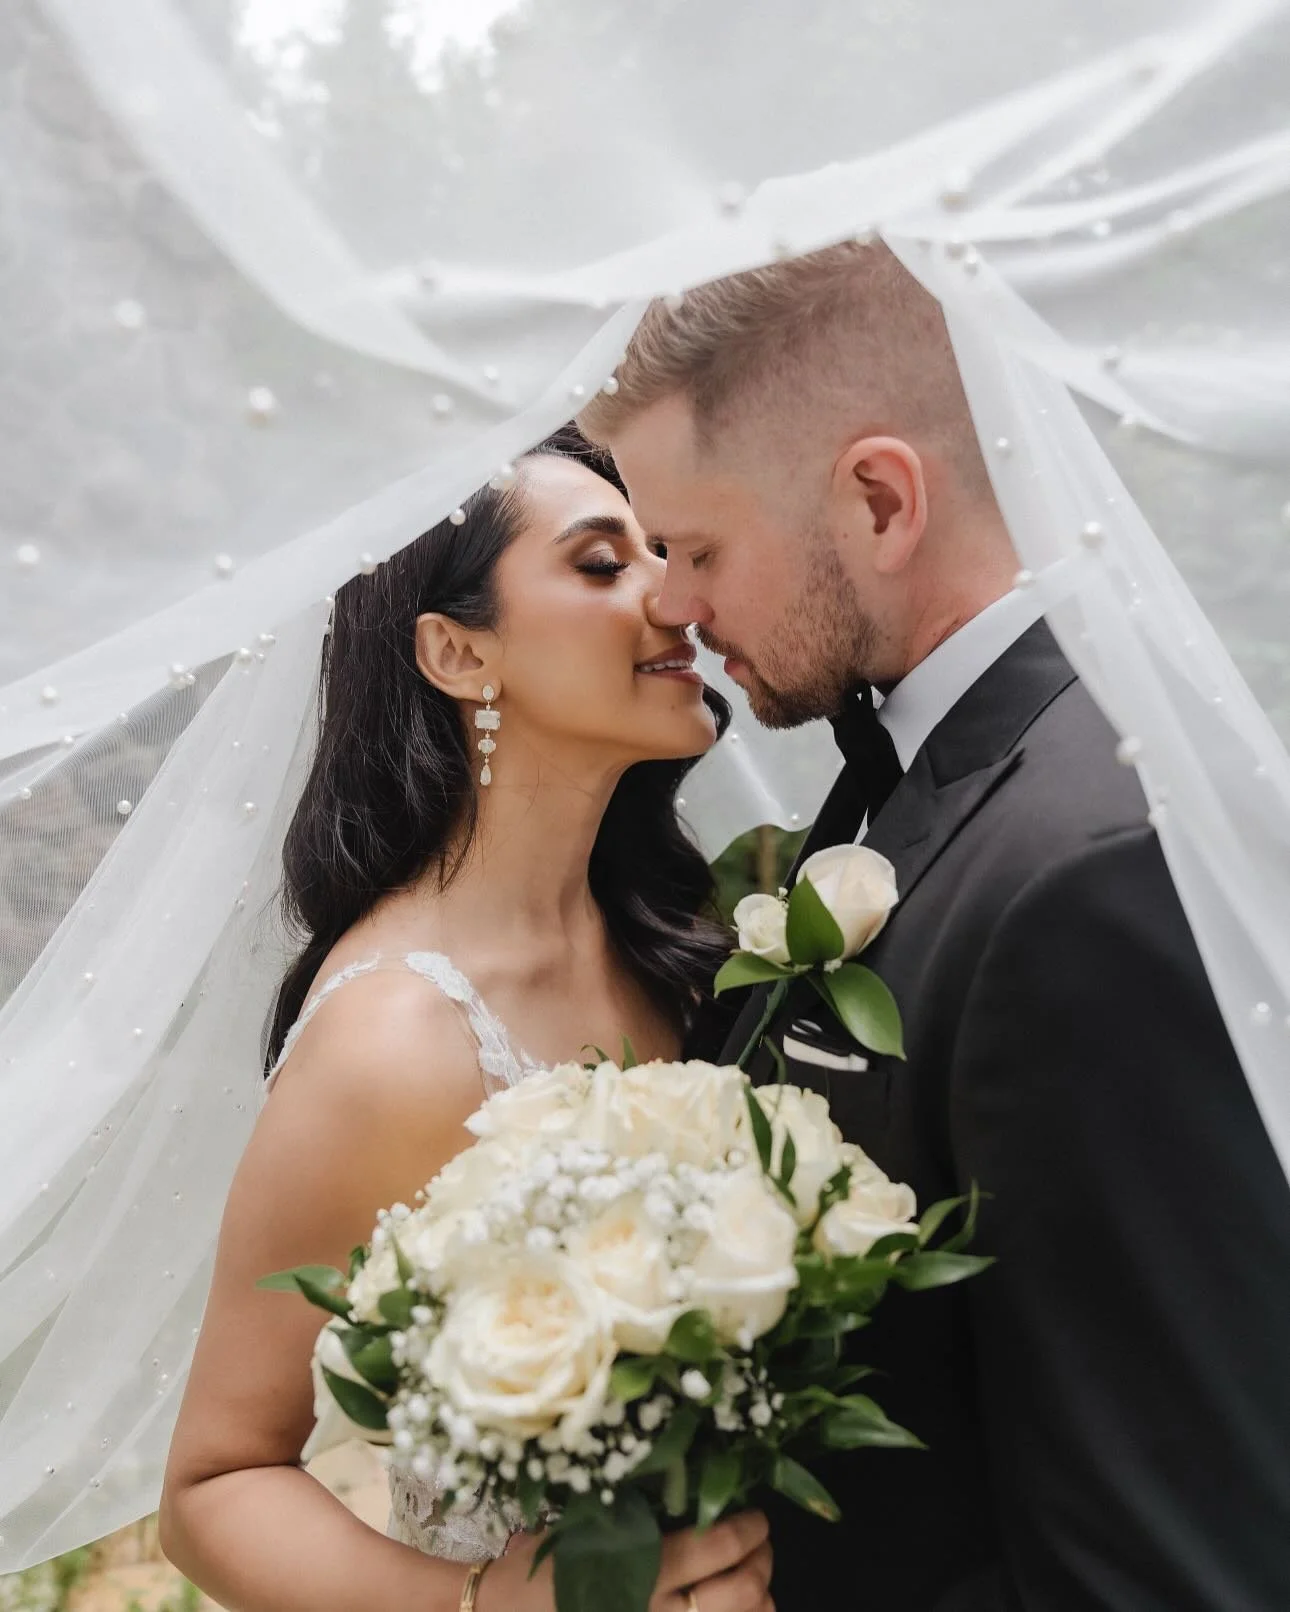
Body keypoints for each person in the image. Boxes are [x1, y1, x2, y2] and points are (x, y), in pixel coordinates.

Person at [580, 243, 1290, 1611]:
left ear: (877, 501)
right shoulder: (923, 775)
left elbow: (1167, 1549)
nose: (667, 600)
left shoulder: (1089, 873)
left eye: (696, 546)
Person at [158, 443, 775, 1612]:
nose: (672, 594)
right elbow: (214, 1485)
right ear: (457, 651)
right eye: (601, 563)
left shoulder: (684, 953)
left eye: (662, 549)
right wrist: (496, 1605)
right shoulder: (391, 1039)